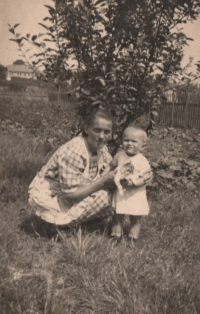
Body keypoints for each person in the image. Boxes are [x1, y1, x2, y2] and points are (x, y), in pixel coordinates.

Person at [28, 108, 117, 226]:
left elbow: (114, 168)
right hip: (53, 196)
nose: (101, 136)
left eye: (106, 132)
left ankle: (76, 223)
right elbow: (69, 197)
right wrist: (102, 182)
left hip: (75, 191)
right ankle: (58, 226)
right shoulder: (75, 150)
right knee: (104, 196)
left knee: (116, 193)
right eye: (97, 130)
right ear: (86, 128)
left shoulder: (102, 149)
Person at [102, 125, 152, 245]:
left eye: (134, 141)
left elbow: (145, 178)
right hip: (121, 193)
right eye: (126, 140)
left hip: (136, 195)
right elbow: (111, 165)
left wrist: (132, 183)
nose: (129, 143)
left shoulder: (142, 160)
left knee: (135, 218)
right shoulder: (120, 155)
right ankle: (115, 236)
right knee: (117, 215)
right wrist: (103, 176)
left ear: (142, 145)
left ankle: (132, 238)